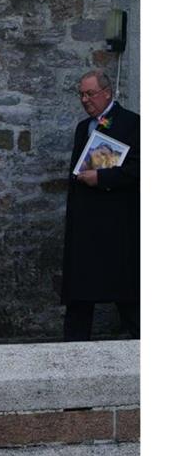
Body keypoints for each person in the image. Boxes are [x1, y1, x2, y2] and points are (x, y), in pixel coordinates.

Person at [61, 70, 140, 341]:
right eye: (81, 94)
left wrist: (102, 177)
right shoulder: (84, 127)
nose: (85, 99)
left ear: (107, 92)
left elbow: (139, 169)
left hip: (118, 224)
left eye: (90, 93)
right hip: (85, 224)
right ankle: (71, 352)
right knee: (80, 296)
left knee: (128, 295)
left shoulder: (133, 124)